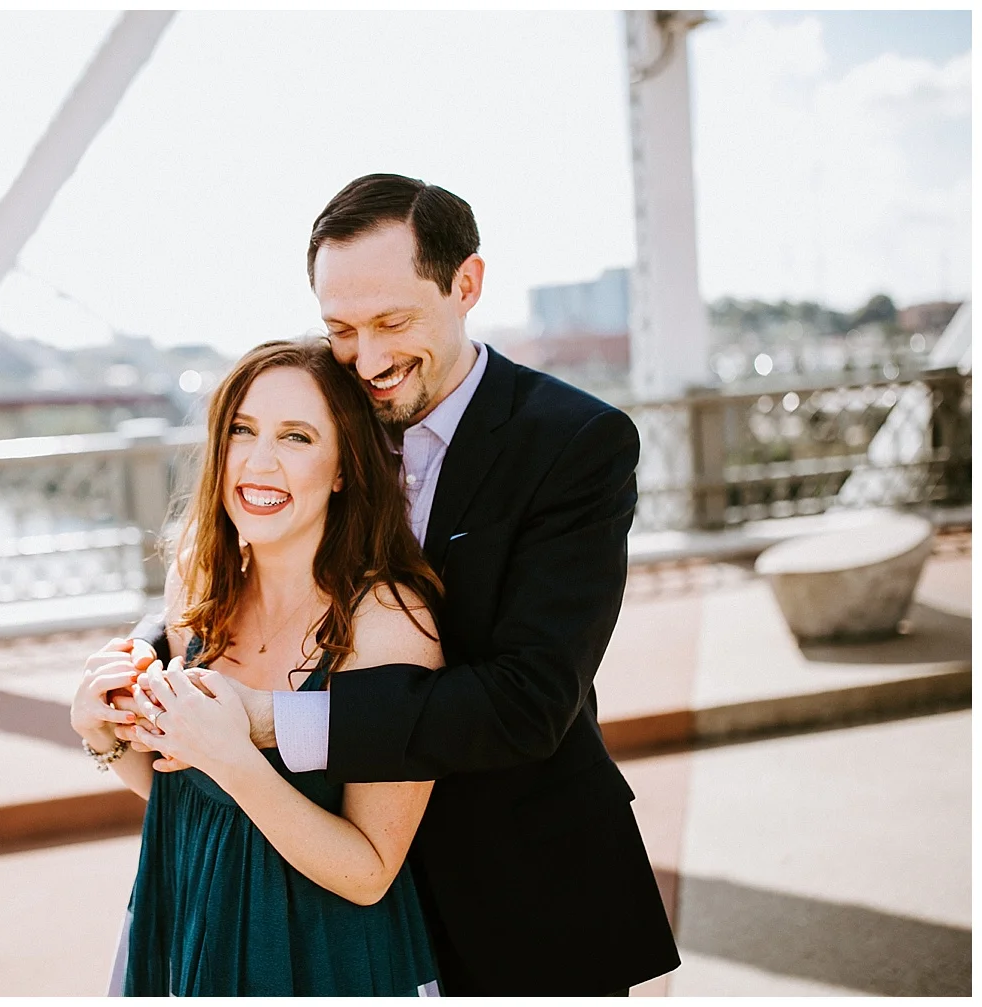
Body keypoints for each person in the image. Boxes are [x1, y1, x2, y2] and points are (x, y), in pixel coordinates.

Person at [97, 173, 681, 995]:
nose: (367, 358)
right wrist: (148, 661)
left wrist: (270, 719)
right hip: (328, 905)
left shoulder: (576, 443)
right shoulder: (328, 409)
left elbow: (529, 699)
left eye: (392, 322)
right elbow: (264, 562)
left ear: (466, 284)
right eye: (341, 328)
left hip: (513, 888)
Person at [70, 338, 449, 996]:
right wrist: (100, 733)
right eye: (242, 430)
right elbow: (190, 798)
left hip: (323, 960)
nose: (259, 461)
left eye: (296, 436)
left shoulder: (386, 621)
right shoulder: (197, 584)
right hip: (188, 928)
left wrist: (236, 759)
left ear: (342, 468)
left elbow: (370, 869)